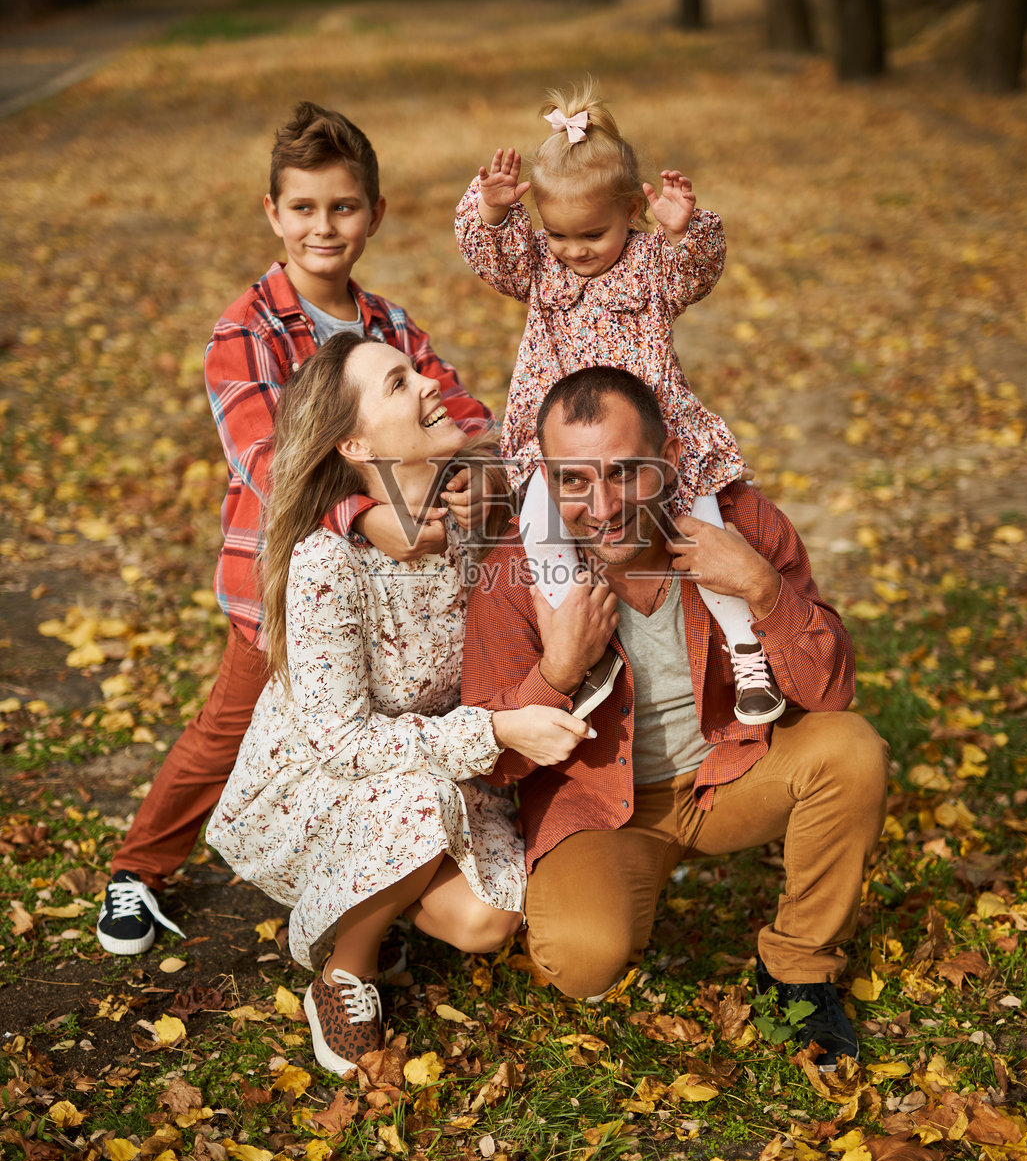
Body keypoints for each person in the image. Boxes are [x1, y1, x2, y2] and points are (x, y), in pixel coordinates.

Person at [97, 102, 492, 957]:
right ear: (273, 213)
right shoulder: (245, 333)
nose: (325, 226)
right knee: (228, 731)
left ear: (374, 215)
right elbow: (270, 465)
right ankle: (138, 871)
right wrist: (364, 514)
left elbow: (462, 413)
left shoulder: (390, 327)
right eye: (304, 208)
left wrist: (457, 481)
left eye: (344, 207)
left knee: (374, 729)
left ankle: (366, 873)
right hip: (283, 587)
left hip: (394, 597)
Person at [462, 367, 888, 1069]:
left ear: (665, 465)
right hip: (601, 808)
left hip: (733, 772)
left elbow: (830, 688)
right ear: (546, 479)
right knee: (580, 963)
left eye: (624, 473)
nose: (600, 506)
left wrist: (758, 586)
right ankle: (627, 890)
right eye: (573, 480)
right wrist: (557, 672)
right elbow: (494, 763)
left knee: (849, 751)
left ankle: (797, 966)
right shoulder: (518, 570)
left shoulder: (738, 524)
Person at [206, 335, 589, 1075]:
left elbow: (546, 461)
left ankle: (382, 888)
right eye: (397, 382)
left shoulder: (475, 527)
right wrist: (499, 730)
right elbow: (342, 744)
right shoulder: (328, 562)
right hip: (323, 780)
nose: (426, 384)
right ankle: (346, 970)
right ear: (353, 440)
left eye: (416, 370)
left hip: (441, 761)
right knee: (420, 802)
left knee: (486, 922)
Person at [455, 80, 784, 727]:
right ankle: (575, 641)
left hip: (646, 436)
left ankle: (744, 648)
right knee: (543, 532)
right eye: (557, 234)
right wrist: (490, 211)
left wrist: (685, 230)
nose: (573, 250)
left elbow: (695, 273)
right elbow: (490, 258)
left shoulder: (647, 265)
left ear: (632, 209)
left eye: (591, 234)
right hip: (563, 445)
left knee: (702, 529)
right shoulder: (541, 269)